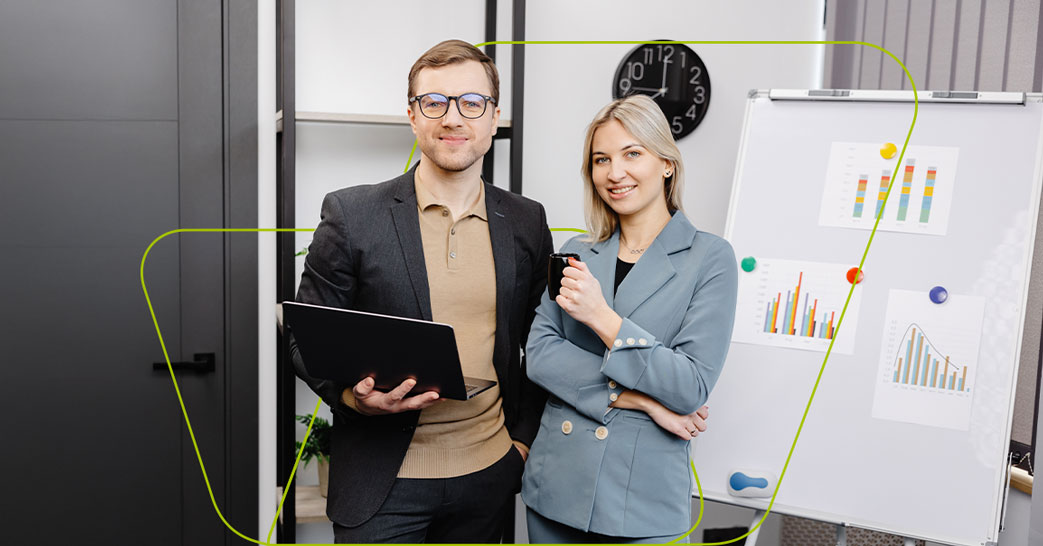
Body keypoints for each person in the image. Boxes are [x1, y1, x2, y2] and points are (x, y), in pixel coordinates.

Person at [291, 39, 552, 543]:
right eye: (434, 102)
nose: (453, 118)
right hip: (382, 482)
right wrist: (351, 397)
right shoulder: (352, 215)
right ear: (412, 116)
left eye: (471, 103)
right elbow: (304, 337)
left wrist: (520, 443)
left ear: (493, 117)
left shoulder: (526, 219)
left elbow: (543, 341)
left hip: (488, 473)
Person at [520, 94, 738, 543]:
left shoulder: (710, 258)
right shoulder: (577, 253)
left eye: (632, 153)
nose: (615, 173)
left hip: (641, 501)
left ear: (666, 164)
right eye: (601, 159)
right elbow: (540, 358)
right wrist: (642, 401)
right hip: (556, 487)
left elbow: (690, 385)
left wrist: (602, 317)